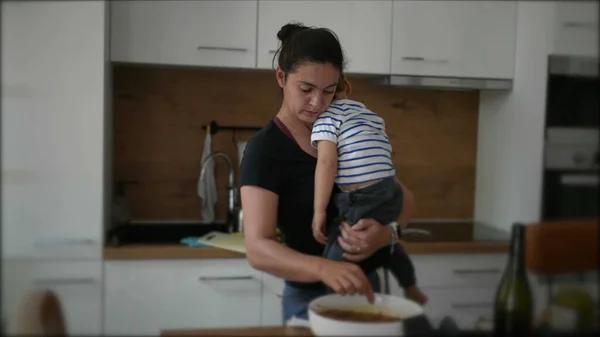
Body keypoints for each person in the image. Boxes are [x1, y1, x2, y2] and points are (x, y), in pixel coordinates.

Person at [240, 22, 416, 323]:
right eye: (306, 89)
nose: (317, 103)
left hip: (367, 290)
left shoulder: (347, 128)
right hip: (307, 298)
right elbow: (258, 248)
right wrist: (325, 268)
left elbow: (405, 199)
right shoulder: (265, 150)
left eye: (328, 90)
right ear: (281, 77)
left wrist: (388, 234)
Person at [311, 78, 428, 305]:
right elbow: (385, 153)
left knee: (337, 256)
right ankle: (411, 287)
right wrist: (390, 234)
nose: (316, 101)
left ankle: (331, 304)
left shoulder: (326, 118)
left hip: (361, 196)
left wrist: (318, 211)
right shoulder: (368, 114)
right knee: (389, 248)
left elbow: (326, 163)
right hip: (390, 192)